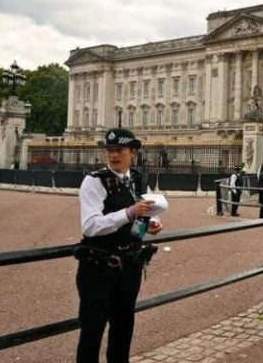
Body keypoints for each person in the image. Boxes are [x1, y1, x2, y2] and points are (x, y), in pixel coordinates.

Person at [75, 128, 164, 363]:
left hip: (129, 266)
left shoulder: (136, 179)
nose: (114, 156)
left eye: (120, 150)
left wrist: (151, 221)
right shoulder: (94, 181)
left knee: (123, 329)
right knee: (92, 332)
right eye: (110, 151)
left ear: (132, 153)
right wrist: (129, 213)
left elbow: (142, 210)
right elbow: (90, 226)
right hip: (99, 267)